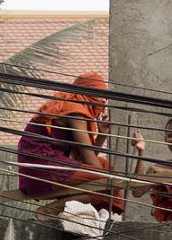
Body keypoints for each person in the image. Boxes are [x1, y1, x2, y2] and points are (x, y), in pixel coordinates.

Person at [17, 72, 123, 219]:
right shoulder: (75, 110)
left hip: (49, 166)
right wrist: (108, 181)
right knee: (109, 182)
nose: (102, 102)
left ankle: (79, 209)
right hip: (44, 168)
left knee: (105, 169)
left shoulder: (74, 107)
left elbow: (82, 158)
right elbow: (88, 158)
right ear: (89, 93)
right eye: (100, 96)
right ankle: (49, 210)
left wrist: (102, 134)